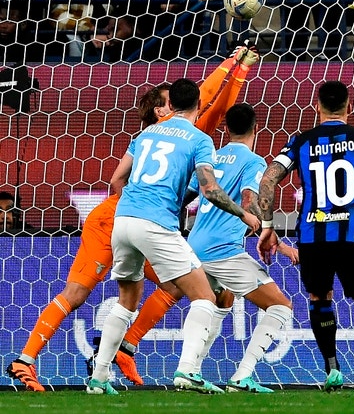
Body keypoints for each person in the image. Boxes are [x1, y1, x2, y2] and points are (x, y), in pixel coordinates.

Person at [5, 45, 258, 392]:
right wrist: (234, 64)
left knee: (156, 290)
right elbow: (208, 97)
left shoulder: (148, 137)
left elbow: (209, 103)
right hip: (132, 220)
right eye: (168, 100)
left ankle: (111, 357)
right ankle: (33, 359)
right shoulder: (186, 134)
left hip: (122, 216)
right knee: (189, 291)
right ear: (160, 110)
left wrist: (238, 68)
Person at [87, 78, 261, 396]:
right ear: (199, 105)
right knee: (205, 296)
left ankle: (98, 379)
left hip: (123, 220)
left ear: (171, 104)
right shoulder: (200, 139)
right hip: (156, 223)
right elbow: (210, 189)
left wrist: (134, 206)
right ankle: (188, 371)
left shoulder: (145, 134)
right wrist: (244, 214)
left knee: (127, 300)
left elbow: (116, 179)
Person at [257, 80, 354, 395]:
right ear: (349, 107)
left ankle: (332, 369)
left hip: (313, 237)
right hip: (353, 236)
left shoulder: (300, 142)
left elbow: (268, 179)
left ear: (318, 107)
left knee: (319, 298)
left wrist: (268, 225)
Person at [184, 102, 295, 394]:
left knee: (221, 301)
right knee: (280, 306)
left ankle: (191, 371)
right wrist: (268, 231)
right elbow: (249, 201)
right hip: (223, 250)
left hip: (195, 245)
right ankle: (242, 376)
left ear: (225, 128)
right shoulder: (254, 161)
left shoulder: (211, 158)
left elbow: (187, 196)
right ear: (256, 128)